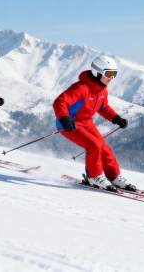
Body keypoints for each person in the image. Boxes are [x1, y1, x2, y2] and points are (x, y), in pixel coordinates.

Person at [53, 55, 136, 191]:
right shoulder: (81, 88)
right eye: (108, 74)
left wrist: (116, 118)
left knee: (104, 148)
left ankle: (114, 177)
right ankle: (94, 177)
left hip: (86, 123)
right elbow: (60, 102)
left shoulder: (101, 91)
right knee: (94, 145)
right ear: (97, 72)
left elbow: (103, 107)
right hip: (69, 123)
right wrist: (64, 119)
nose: (111, 78)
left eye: (114, 74)